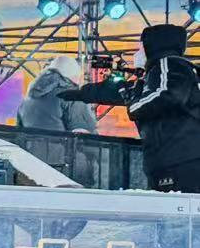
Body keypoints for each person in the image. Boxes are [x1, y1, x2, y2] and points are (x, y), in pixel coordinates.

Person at [59, 24, 200, 191]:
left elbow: (167, 95)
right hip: (172, 159)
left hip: (180, 159)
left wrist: (134, 106)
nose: (138, 53)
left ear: (153, 46)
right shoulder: (168, 73)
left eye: (141, 47)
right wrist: (83, 93)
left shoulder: (169, 64)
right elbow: (124, 91)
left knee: (178, 204)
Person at [17, 55, 98, 133]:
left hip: (29, 143)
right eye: (78, 77)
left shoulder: (27, 99)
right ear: (73, 76)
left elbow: (19, 133)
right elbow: (84, 136)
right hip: (61, 143)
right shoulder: (72, 96)